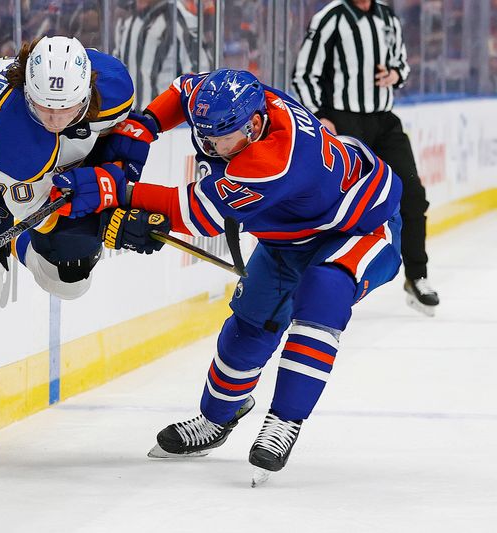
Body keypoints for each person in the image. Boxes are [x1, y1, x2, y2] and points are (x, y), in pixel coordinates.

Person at [81, 68, 403, 485]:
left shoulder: (273, 160)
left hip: (362, 224)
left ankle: (284, 422)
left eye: (220, 139)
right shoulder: (238, 99)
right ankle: (218, 418)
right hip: (291, 233)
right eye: (205, 135)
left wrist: (112, 189)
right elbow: (183, 90)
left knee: (323, 291)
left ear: (253, 126)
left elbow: (197, 213)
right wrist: (147, 124)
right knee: (247, 331)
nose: (210, 146)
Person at [0, 36, 168, 476]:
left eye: (66, 110)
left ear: (88, 91)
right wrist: (112, 225)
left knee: (70, 280)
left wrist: (118, 184)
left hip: (51, 168)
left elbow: (123, 136)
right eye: (44, 108)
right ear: (27, 90)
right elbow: (42, 216)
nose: (54, 119)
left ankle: (12, 240)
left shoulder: (115, 83)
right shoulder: (16, 139)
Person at [291, 0, 439, 316]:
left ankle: (416, 276)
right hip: (342, 120)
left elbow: (402, 63)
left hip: (383, 120)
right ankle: (310, 280)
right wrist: (319, 118)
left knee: (412, 196)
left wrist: (394, 74)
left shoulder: (387, 16)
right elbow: (304, 74)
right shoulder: (330, 17)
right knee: (333, 205)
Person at [114, 0, 211, 109]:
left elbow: (200, 75)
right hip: (130, 113)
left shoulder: (180, 20)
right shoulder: (125, 19)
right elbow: (117, 63)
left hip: (164, 117)